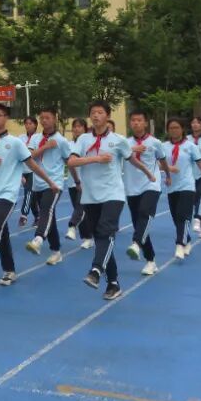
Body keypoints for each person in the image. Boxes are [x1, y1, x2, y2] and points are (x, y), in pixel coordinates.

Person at [0, 102, 55, 285]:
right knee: (1, 232)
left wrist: (50, 182)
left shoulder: (15, 143)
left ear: (6, 118)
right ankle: (9, 270)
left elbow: (32, 165)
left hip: (7, 194)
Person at [69, 101, 132, 301]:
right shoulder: (83, 139)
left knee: (106, 231)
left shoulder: (119, 140)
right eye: (93, 112)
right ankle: (113, 283)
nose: (96, 115)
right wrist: (95, 159)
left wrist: (150, 174)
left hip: (113, 194)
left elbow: (131, 159)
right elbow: (71, 161)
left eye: (100, 112)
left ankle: (96, 271)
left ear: (108, 116)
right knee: (102, 239)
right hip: (90, 196)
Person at [164, 117, 201, 260]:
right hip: (172, 187)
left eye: (176, 128)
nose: (174, 130)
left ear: (182, 129)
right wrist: (168, 170)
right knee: (176, 218)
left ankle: (180, 244)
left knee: (184, 216)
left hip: (187, 186)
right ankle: (188, 240)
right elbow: (158, 164)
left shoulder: (190, 146)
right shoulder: (163, 146)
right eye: (171, 128)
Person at [24, 107, 67, 266]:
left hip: (54, 184)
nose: (44, 120)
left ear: (54, 119)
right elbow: (29, 157)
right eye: (42, 118)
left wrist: (78, 180)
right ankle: (56, 251)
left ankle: (38, 239)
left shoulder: (61, 141)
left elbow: (69, 160)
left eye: (47, 117)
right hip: (38, 184)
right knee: (50, 217)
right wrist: (46, 147)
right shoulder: (35, 138)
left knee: (46, 209)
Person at [124, 110, 165, 276]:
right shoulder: (125, 143)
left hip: (151, 184)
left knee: (145, 213)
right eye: (133, 120)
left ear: (145, 123)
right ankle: (151, 260)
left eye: (139, 120)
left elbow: (163, 160)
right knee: (138, 224)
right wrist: (132, 148)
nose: (136, 123)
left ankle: (135, 243)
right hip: (131, 187)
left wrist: (169, 176)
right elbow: (115, 155)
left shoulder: (155, 143)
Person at [66, 118, 93, 248]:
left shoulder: (89, 144)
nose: (76, 129)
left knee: (80, 208)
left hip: (86, 181)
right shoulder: (68, 145)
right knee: (80, 210)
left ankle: (72, 227)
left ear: (85, 129)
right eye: (74, 127)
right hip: (72, 182)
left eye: (79, 126)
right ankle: (87, 237)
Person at [17, 116, 41, 227]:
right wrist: (19, 174)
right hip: (23, 170)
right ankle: (38, 217)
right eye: (26, 123)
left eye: (30, 123)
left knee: (28, 193)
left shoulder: (39, 138)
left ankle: (24, 215)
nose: (28, 125)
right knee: (32, 197)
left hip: (34, 170)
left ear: (35, 125)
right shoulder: (20, 138)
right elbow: (17, 155)